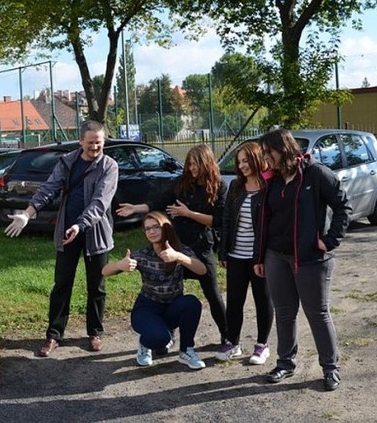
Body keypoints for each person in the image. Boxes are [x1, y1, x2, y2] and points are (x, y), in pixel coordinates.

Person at [4, 120, 119, 357]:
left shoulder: (109, 166)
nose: (95, 148)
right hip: (67, 232)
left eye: (99, 143)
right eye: (90, 143)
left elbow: (100, 202)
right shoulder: (67, 162)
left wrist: (81, 224)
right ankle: (54, 335)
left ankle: (95, 332)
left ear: (103, 142)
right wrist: (27, 213)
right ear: (80, 142)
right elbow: (49, 188)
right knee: (61, 284)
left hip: (95, 233)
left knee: (96, 285)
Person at [255, 129, 351, 391]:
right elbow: (265, 219)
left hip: (310, 258)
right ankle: (285, 363)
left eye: (268, 152)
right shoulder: (271, 180)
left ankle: (331, 369)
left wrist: (329, 240)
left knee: (317, 314)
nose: (265, 157)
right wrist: (260, 255)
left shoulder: (315, 173)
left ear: (284, 149)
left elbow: (343, 205)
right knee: (284, 312)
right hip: (276, 255)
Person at [116, 144, 229, 345]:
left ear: (207, 163)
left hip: (201, 246)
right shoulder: (182, 183)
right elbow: (159, 202)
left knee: (213, 293)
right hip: (176, 244)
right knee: (170, 291)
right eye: (190, 164)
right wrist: (136, 208)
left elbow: (218, 220)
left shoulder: (220, 186)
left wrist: (188, 214)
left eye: (196, 164)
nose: (192, 168)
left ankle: (227, 335)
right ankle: (165, 332)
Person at [103, 211, 207, 369]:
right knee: (159, 339)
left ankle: (186, 350)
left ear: (166, 228)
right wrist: (119, 265)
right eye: (147, 229)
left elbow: (202, 270)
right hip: (147, 308)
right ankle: (145, 343)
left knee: (192, 303)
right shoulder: (143, 255)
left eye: (156, 227)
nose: (151, 231)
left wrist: (178, 257)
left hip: (173, 306)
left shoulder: (181, 250)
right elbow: (104, 271)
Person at [216, 141, 274, 364]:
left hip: (260, 257)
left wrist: (267, 255)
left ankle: (262, 345)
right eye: (239, 162)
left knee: (263, 300)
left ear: (257, 159)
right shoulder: (236, 187)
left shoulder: (269, 186)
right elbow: (227, 220)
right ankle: (233, 343)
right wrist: (223, 251)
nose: (242, 165)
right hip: (236, 255)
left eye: (246, 160)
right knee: (235, 301)